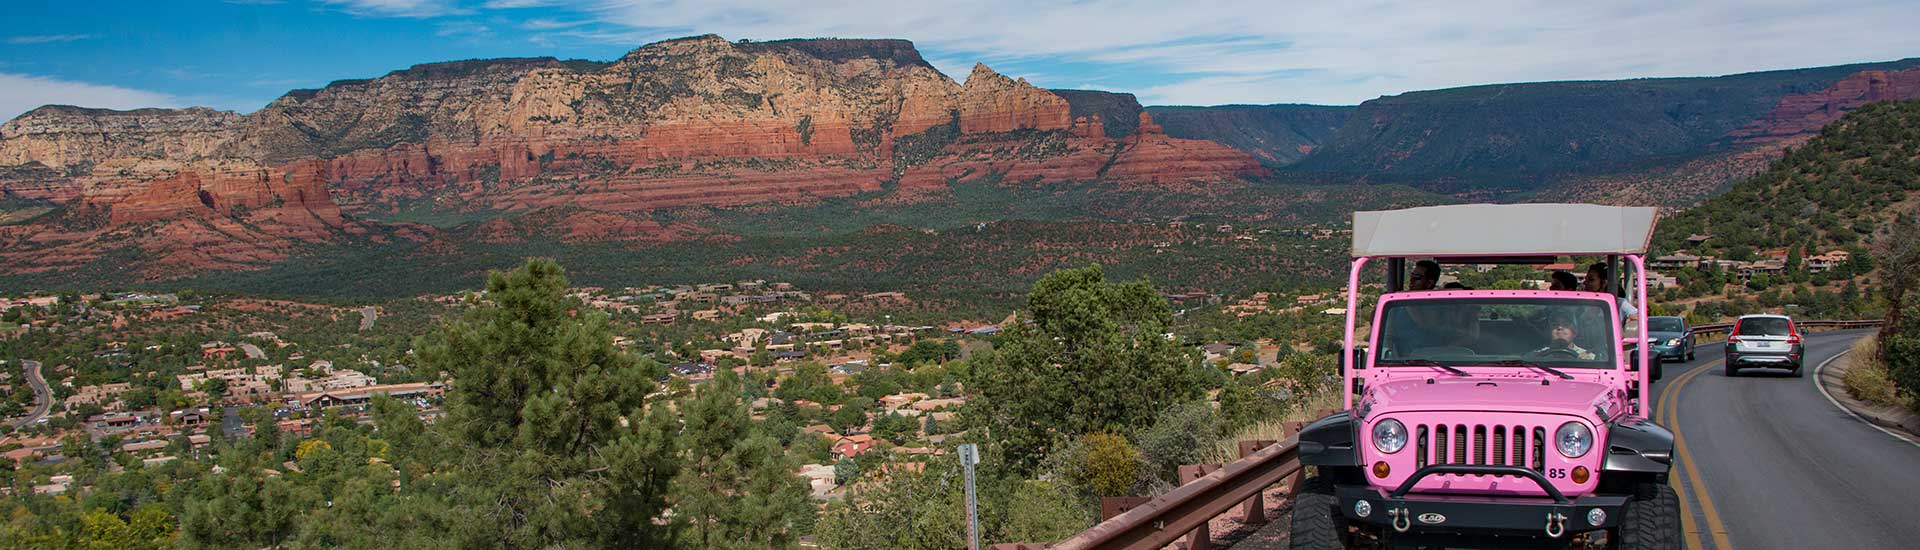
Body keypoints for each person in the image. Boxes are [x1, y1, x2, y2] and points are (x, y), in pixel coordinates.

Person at [1530, 316, 1596, 360]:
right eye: (1554, 325)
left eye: (1565, 324)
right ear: (1550, 332)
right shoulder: (1537, 355)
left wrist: (1584, 363)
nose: (1560, 327)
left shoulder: (1589, 357)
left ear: (1575, 332)